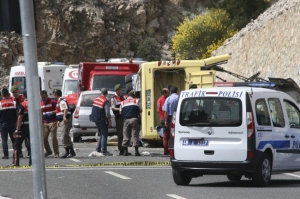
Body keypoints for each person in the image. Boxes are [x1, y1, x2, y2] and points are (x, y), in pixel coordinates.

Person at [53, 89, 76, 158]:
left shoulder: (62, 101)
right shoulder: (59, 101)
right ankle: (68, 151)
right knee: (64, 136)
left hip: (66, 120)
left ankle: (70, 151)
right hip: (62, 120)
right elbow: (59, 111)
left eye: (54, 95)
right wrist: (59, 120)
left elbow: (65, 109)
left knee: (64, 135)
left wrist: (64, 117)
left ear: (56, 95)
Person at [12, 89, 31, 166]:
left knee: (17, 144)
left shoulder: (22, 104)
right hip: (32, 126)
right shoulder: (34, 104)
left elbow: (20, 117)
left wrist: (17, 129)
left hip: (23, 126)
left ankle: (16, 162)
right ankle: (32, 162)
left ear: (23, 96)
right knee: (32, 144)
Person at [120, 90, 142, 156]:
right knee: (135, 135)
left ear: (127, 96)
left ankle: (125, 151)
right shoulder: (137, 101)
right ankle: (136, 152)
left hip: (126, 120)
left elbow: (120, 112)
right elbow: (141, 110)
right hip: (134, 119)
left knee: (126, 135)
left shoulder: (122, 102)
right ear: (133, 95)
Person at [90, 88, 112, 155]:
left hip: (96, 119)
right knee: (104, 135)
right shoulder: (105, 101)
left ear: (101, 93)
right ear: (107, 93)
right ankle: (104, 150)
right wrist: (109, 120)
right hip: (102, 119)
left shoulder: (96, 99)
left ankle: (98, 149)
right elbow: (107, 113)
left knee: (101, 134)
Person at [10, 85, 29, 157]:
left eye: (15, 92)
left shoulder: (22, 98)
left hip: (23, 119)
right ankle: (20, 152)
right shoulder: (12, 99)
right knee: (18, 138)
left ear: (17, 91)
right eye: (13, 92)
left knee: (27, 139)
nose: (14, 94)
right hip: (16, 119)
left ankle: (29, 152)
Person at [40, 90, 59, 158]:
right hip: (45, 122)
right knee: (44, 138)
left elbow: (57, 110)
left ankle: (56, 152)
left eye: (45, 97)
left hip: (52, 121)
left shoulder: (52, 102)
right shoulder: (41, 103)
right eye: (42, 97)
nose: (44, 99)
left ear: (47, 96)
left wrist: (51, 112)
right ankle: (48, 151)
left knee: (53, 138)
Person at [0, 88, 17, 159]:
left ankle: (6, 155)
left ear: (2, 94)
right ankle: (16, 154)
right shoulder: (13, 102)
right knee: (14, 140)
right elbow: (17, 113)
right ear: (8, 94)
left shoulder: (0, 103)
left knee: (4, 140)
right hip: (13, 123)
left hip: (3, 124)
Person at [162, 86, 178, 155]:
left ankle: (166, 151)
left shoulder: (168, 99)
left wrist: (166, 121)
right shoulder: (179, 97)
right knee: (175, 134)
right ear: (177, 91)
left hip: (170, 118)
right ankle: (175, 150)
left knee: (167, 135)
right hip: (178, 118)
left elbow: (166, 112)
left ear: (170, 92)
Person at [111, 84, 127, 155]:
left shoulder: (122, 97)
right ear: (117, 90)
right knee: (120, 134)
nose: (121, 91)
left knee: (125, 133)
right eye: (119, 90)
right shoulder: (113, 98)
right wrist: (121, 109)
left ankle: (125, 148)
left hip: (124, 116)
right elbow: (113, 108)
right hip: (119, 117)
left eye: (121, 90)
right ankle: (121, 149)